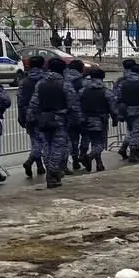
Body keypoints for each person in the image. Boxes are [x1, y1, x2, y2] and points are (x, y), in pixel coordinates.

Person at [26, 57, 82, 188]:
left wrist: (30, 118)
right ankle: (52, 174)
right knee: (58, 149)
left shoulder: (40, 83)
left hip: (43, 120)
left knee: (47, 147)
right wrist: (77, 120)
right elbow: (73, 104)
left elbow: (34, 103)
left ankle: (51, 173)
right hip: (60, 120)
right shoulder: (65, 84)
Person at [17, 55, 47, 177]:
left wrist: (21, 116)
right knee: (44, 142)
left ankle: (39, 165)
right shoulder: (46, 79)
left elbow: (20, 100)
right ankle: (31, 162)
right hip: (45, 114)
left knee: (35, 141)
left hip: (29, 114)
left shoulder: (24, 81)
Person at [76, 67, 111, 172]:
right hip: (101, 120)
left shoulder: (83, 91)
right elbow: (112, 106)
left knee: (94, 142)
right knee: (100, 144)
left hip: (86, 119)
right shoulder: (105, 91)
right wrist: (115, 117)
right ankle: (90, 156)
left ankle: (99, 164)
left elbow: (77, 105)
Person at [62, 60, 85, 172]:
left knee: (71, 139)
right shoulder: (82, 82)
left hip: (66, 115)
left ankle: (74, 158)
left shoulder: (62, 81)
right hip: (82, 114)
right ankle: (82, 155)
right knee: (85, 137)